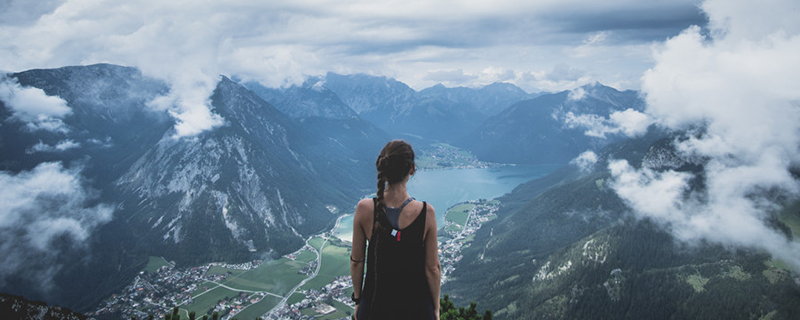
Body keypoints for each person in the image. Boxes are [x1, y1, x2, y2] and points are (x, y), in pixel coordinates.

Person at [350, 140, 441, 320]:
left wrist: (358, 299)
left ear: (382, 168)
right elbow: (432, 268)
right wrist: (436, 308)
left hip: (375, 307)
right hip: (417, 310)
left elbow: (357, 261)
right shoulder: (426, 213)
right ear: (412, 170)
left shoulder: (364, 209)